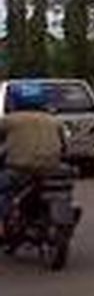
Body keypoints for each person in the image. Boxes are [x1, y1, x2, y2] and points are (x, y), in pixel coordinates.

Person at [0, 83, 66, 229]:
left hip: (19, 169)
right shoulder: (54, 120)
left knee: (4, 190)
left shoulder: (9, 120)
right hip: (50, 169)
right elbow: (64, 146)